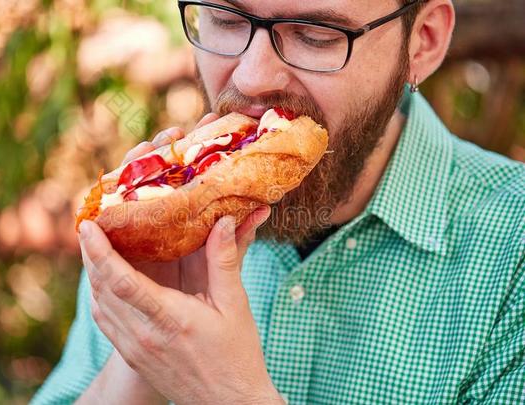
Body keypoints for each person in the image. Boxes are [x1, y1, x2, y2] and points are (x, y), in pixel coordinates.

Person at [32, 0, 525, 403]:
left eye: (316, 34)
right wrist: (146, 351)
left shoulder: (511, 251)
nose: (251, 78)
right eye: (225, 19)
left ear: (423, 43)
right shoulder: (152, 220)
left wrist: (230, 394)